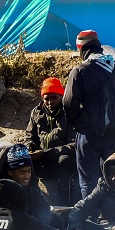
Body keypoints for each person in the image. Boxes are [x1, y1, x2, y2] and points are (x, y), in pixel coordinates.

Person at [64, 30, 115, 200]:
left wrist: (80, 124)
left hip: (88, 136)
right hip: (113, 134)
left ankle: (91, 220)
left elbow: (68, 103)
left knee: (88, 180)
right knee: (114, 177)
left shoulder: (80, 71)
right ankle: (114, 216)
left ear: (81, 49)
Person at [0, 144, 63, 230]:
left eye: (29, 171)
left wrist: (38, 229)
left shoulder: (31, 184)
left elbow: (42, 206)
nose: (27, 176)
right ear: (10, 172)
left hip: (25, 223)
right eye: (22, 172)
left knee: (56, 220)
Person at [25, 77, 77, 206]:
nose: (50, 102)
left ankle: (64, 206)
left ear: (61, 96)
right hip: (41, 157)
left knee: (64, 162)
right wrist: (29, 149)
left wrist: (47, 153)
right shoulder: (36, 113)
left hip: (62, 157)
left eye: (54, 97)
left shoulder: (70, 113)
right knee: (23, 162)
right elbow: (29, 136)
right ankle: (29, 203)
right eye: (46, 98)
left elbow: (75, 144)